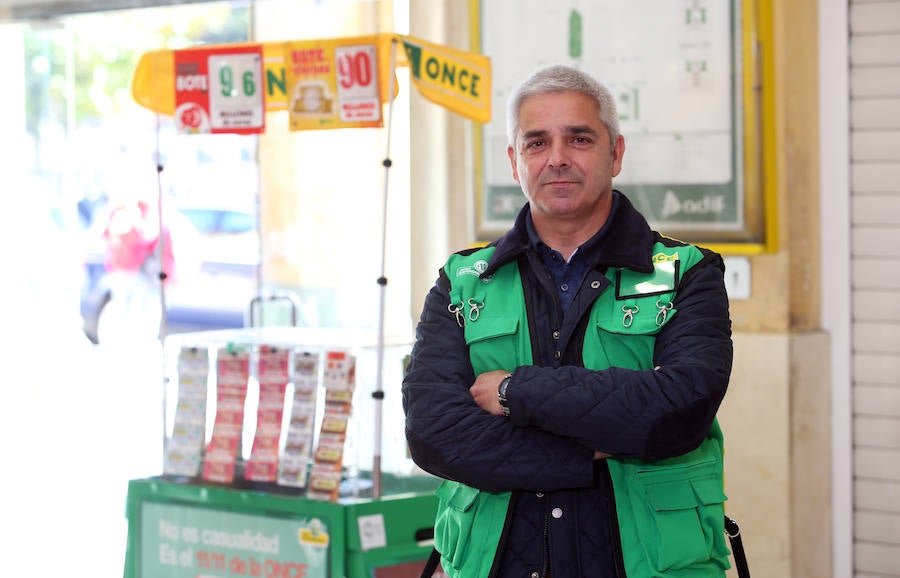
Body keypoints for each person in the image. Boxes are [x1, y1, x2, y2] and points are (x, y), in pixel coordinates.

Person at [402, 64, 734, 578]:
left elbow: (679, 410)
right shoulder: (463, 280)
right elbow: (434, 432)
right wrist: (592, 450)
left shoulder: (688, 274)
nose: (557, 159)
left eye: (579, 138)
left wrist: (516, 392)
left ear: (615, 153)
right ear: (515, 162)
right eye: (536, 143)